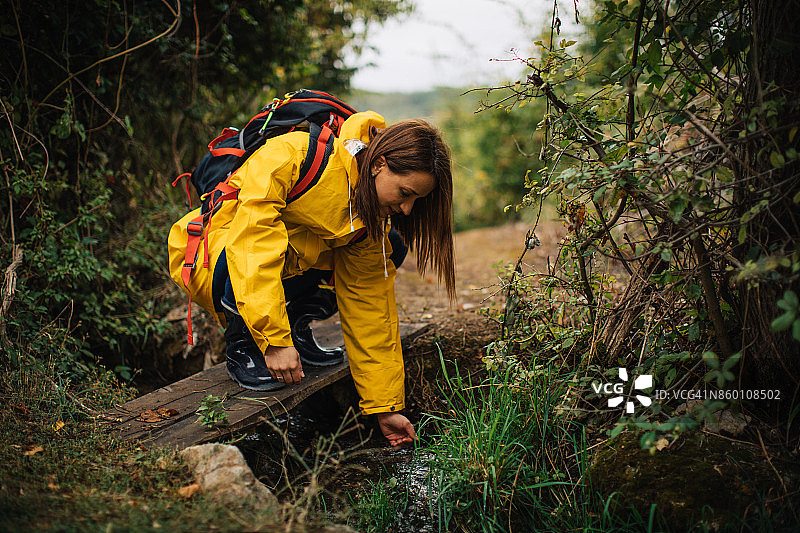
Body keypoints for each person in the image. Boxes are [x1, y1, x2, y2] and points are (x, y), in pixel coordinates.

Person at [168, 111, 455, 446]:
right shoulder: (294, 157)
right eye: (405, 192)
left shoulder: (367, 218)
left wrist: (385, 407)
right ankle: (245, 343)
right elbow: (251, 247)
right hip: (214, 260)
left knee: (390, 247)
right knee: (254, 252)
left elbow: (370, 306)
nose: (407, 208)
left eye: (416, 200)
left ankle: (296, 328)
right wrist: (274, 341)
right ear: (379, 163)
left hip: (275, 268)